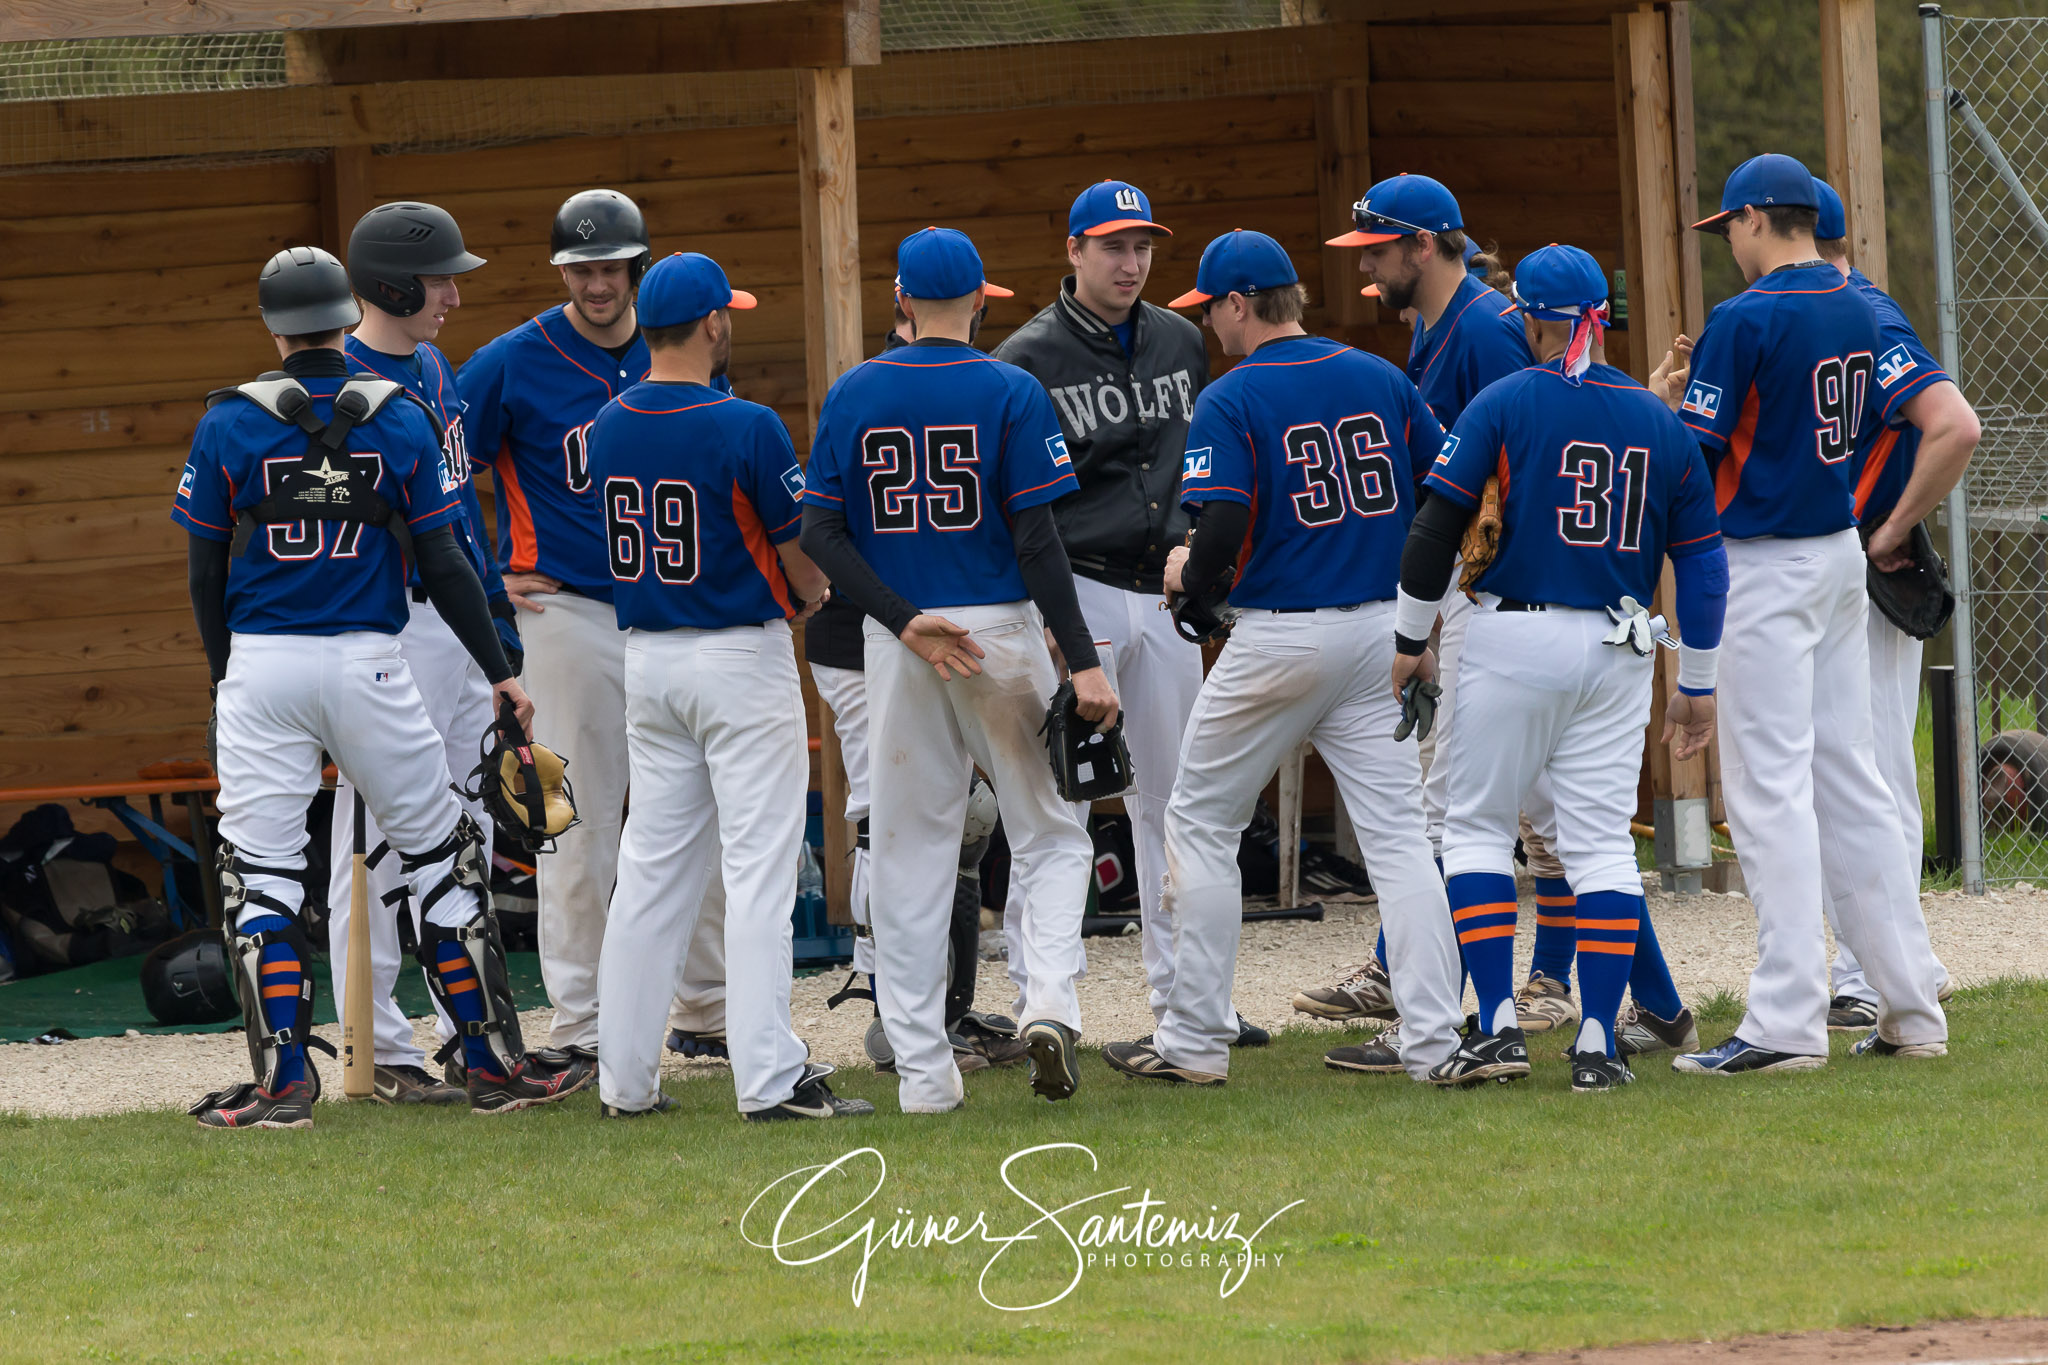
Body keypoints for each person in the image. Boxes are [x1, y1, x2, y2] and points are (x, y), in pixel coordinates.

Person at [175, 246, 588, 1128]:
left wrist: (225, 675)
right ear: (344, 313)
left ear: (273, 326)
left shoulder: (227, 424)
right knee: (442, 857)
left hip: (263, 665)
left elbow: (204, 574)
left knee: (262, 874)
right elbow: (445, 559)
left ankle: (283, 1084)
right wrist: (500, 670)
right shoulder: (399, 416)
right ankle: (488, 1064)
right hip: (371, 659)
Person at [1100, 229, 1463, 1087]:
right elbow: (1445, 493)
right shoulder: (1381, 375)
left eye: (1211, 309)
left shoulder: (1231, 396)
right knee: (1401, 842)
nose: (1209, 326)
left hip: (1282, 633)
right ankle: (1435, 1039)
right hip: (1381, 630)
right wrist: (1429, 618)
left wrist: (1194, 574)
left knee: (1197, 821)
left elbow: (1219, 527)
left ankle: (1191, 1043)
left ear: (1237, 303)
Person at [1394, 244, 1726, 1092]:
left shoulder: (1506, 399)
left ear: (1534, 317)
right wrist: (1698, 682)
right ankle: (1594, 1045)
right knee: (1602, 848)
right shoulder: (1664, 423)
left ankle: (1499, 1028)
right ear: (1602, 319)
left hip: (1519, 632)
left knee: (1474, 829)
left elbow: (1435, 528)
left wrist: (1408, 636)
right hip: (1623, 644)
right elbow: (1704, 563)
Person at [799, 227, 1117, 1112]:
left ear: (902, 301)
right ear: (981, 300)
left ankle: (925, 1078)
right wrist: (1084, 662)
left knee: (907, 852)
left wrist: (902, 619)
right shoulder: (1010, 387)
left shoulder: (856, 390)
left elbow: (819, 533)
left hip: (900, 640)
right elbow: (1038, 538)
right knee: (1050, 829)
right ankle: (1049, 1002)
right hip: (999, 631)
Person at [1652, 153, 1947, 1073]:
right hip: (1835, 553)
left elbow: (1695, 458)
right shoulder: (1860, 304)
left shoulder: (1745, 317)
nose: (1727, 245)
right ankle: (1911, 1005)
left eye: (1729, 228)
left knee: (1770, 791)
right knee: (1850, 780)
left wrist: (1656, 413)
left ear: (1754, 221)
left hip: (1767, 565)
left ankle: (1783, 1022)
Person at [585, 252, 871, 1122]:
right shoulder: (745, 422)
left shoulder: (607, 422)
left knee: (650, 877)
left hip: (649, 658)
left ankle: (624, 1083)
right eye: (727, 311)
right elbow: (795, 551)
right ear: (711, 322)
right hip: (736, 657)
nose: (730, 321)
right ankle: (771, 1080)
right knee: (758, 873)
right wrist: (816, 592)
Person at [990, 182, 1262, 1045]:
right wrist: (1045, 616)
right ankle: (1048, 1002)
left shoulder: (1183, 340)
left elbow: (1202, 469)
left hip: (1166, 594)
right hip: (1079, 593)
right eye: (1112, 246)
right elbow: (1016, 506)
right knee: (1063, 801)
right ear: (1072, 251)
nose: (1130, 262)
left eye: (1142, 245)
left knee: (1173, 800)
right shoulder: (1024, 357)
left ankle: (1188, 1005)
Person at [458, 189, 726, 1061]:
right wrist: (493, 573)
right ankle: (582, 1023)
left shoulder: (681, 351)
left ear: (636, 266)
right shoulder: (511, 360)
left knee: (695, 814)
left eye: (610, 265)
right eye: (581, 267)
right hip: (567, 613)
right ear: (561, 271)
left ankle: (706, 1012)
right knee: (571, 821)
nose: (596, 282)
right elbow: (440, 474)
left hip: (674, 617)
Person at [810, 300, 1028, 1075]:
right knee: (890, 818)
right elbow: (821, 531)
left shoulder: (930, 384)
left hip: (916, 634)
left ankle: (939, 1008)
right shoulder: (875, 387)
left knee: (956, 819)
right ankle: (889, 1005)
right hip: (873, 637)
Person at [319, 201, 495, 1107]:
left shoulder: (429, 362)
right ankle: (377, 1041)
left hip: (458, 622)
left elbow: (458, 511)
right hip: (389, 628)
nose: (454, 296)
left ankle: (473, 1030)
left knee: (474, 823)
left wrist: (494, 625)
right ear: (390, 284)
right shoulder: (343, 382)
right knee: (381, 836)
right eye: (439, 281)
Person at [1811, 179, 1974, 1034]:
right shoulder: (1843, 312)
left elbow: (1956, 426)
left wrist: (1893, 526)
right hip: (1842, 565)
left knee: (1865, 765)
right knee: (1869, 764)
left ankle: (1873, 973)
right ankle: (1902, 962)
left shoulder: (1863, 315)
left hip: (1867, 568)